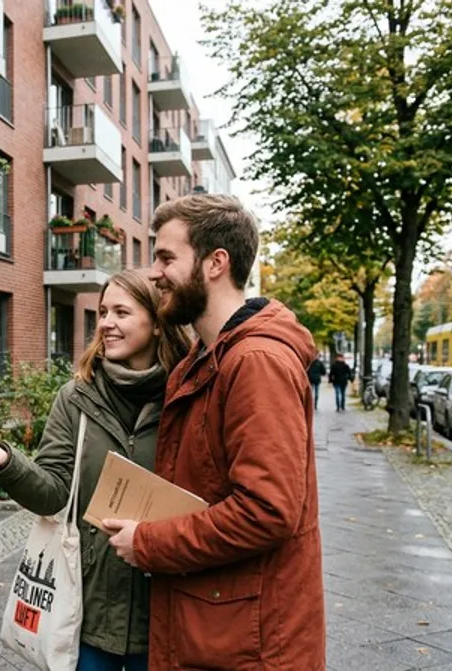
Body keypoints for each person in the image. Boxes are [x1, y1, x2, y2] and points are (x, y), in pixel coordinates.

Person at [103, 194, 325, 670]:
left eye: (166, 257)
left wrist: (149, 543)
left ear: (215, 262)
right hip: (213, 626)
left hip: (246, 642)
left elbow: (267, 510)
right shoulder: (202, 359)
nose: (154, 272)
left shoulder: (255, 362)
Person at [0, 270, 190, 671]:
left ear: (158, 323)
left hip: (167, 608)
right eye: (103, 312)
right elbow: (54, 493)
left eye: (122, 312)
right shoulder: (77, 395)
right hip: (88, 608)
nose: (107, 323)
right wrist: (6, 462)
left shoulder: (188, 395)